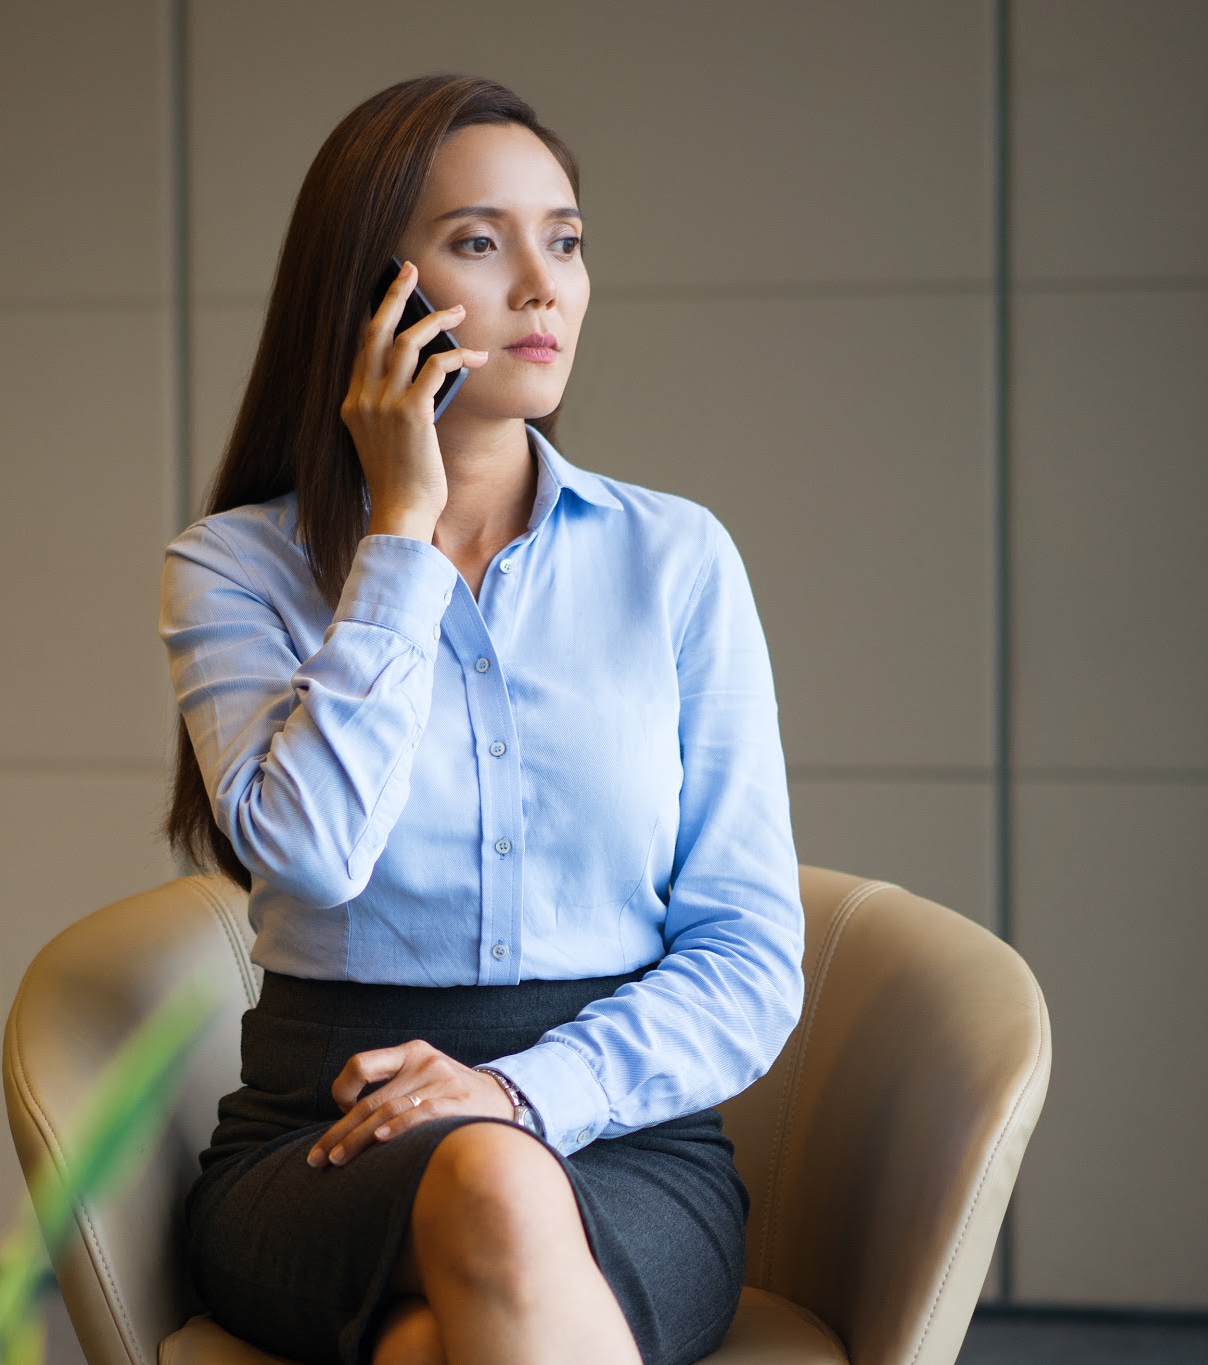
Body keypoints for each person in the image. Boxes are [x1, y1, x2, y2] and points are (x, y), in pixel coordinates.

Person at [158, 74, 805, 1365]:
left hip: (619, 1134)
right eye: (477, 240)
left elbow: (749, 951)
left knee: (438, 1323)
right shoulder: (234, 565)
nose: (542, 283)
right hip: (320, 1138)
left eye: (562, 238)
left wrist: (516, 1093)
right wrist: (398, 537)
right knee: (486, 1196)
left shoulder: (674, 556)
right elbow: (311, 855)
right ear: (370, 290)